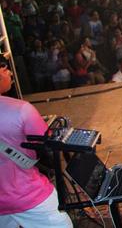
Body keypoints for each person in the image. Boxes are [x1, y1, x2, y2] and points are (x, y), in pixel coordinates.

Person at [0, 62, 73, 227]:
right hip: (25, 194)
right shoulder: (21, 109)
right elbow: (44, 143)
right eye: (5, 69)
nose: (10, 73)